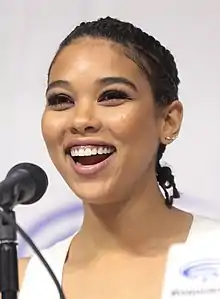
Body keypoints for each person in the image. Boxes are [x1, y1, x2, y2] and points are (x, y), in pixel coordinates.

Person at [17, 17, 220, 299]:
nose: (81, 120)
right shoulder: (18, 283)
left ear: (169, 121)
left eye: (111, 96)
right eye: (61, 99)